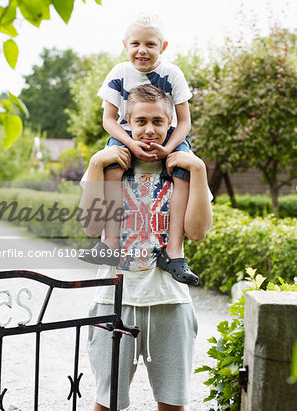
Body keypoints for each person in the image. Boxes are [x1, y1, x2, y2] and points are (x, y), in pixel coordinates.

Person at [79, 85, 212, 411]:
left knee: (172, 404)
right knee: (106, 403)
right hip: (113, 300)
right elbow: (91, 226)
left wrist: (199, 168)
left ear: (171, 123)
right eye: (141, 121)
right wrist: (96, 163)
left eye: (157, 121)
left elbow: (197, 232)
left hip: (170, 302)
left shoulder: (183, 170)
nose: (149, 129)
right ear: (127, 122)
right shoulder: (109, 165)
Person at [83, 13, 199, 285]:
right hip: (127, 132)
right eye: (135, 44)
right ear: (125, 45)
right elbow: (109, 120)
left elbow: (184, 122)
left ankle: (174, 253)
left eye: (150, 44)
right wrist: (130, 143)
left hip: (166, 133)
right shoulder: (119, 73)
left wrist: (169, 149)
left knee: (183, 171)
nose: (142, 50)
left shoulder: (173, 74)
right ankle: (110, 244)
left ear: (163, 47)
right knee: (112, 166)